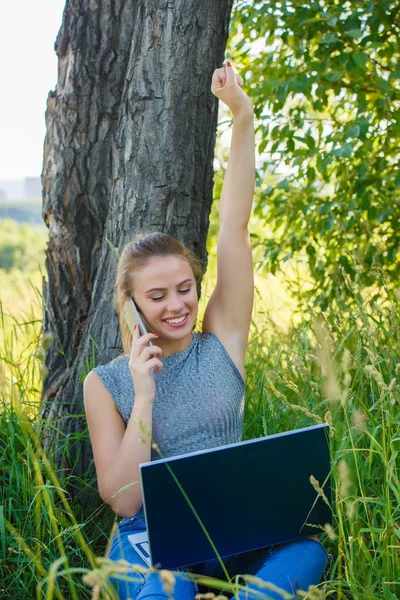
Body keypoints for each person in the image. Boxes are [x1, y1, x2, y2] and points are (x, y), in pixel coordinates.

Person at [83, 62, 328, 600]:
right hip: (151, 536)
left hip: (239, 526)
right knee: (162, 596)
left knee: (310, 552)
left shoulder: (222, 337)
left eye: (185, 287)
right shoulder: (105, 383)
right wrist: (143, 394)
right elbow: (123, 500)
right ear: (129, 306)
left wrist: (242, 114)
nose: (177, 306)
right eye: (157, 296)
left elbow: (234, 225)